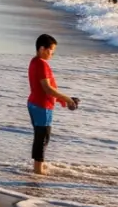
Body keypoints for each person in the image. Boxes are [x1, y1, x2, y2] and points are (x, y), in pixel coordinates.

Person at [27, 33, 79, 176]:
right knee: (43, 139)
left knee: (40, 137)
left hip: (33, 103)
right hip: (42, 107)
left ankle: (38, 167)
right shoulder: (42, 65)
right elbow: (47, 89)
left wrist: (62, 99)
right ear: (42, 49)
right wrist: (68, 99)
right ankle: (38, 171)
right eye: (51, 51)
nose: (52, 54)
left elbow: (47, 88)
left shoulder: (34, 61)